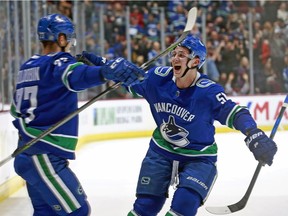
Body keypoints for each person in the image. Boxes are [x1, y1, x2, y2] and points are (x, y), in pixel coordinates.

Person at [123, 35, 277, 216]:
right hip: (161, 150)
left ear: (195, 61)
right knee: (146, 206)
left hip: (198, 156)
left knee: (185, 204)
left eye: (181, 55)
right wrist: (104, 68)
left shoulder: (208, 91)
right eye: (174, 54)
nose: (174, 59)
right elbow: (129, 78)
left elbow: (235, 113)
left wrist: (254, 133)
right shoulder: (158, 78)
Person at [10, 13, 145, 216]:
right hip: (43, 155)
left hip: (29, 152)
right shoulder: (59, 61)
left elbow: (15, 109)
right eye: (69, 37)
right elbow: (75, 76)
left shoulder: (27, 66)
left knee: (47, 213)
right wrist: (104, 72)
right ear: (61, 38)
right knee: (78, 210)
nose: (72, 42)